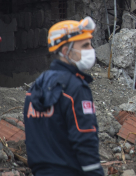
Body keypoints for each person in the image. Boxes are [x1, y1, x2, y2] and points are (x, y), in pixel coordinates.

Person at [24, 17, 103, 176]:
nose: (91, 49)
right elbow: (84, 137)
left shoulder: (35, 88)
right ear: (66, 52)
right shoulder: (75, 88)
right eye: (85, 45)